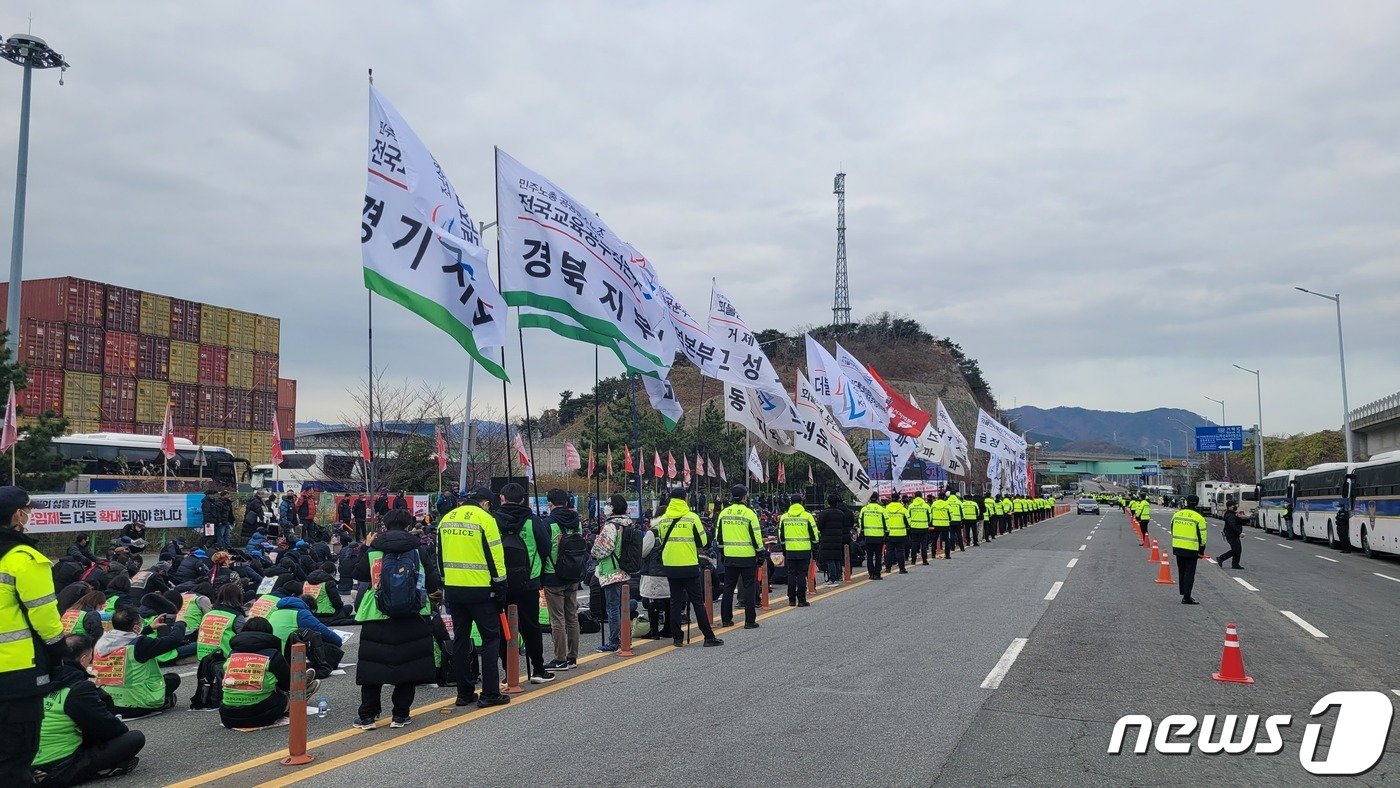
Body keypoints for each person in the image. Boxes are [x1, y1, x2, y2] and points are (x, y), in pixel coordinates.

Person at [352, 508, 442, 730]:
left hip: (377, 614)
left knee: (373, 667)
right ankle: (400, 715)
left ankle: (367, 717)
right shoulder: (418, 550)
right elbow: (433, 583)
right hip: (412, 614)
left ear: (385, 526)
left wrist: (366, 546)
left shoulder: (375, 549)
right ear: (408, 526)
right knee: (408, 666)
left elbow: (358, 574)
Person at [0, 486, 66, 783]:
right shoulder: (23, 557)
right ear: (17, 514)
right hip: (17, 672)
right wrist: (59, 655)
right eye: (28, 509)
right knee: (16, 759)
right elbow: (45, 618)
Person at [31, 635, 145, 785]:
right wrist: (98, 691)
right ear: (84, 658)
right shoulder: (77, 688)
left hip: (23, 766)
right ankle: (92, 772)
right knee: (134, 738)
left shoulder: (38, 681)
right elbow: (111, 729)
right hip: (54, 770)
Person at [439, 487, 509, 709]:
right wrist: (500, 587)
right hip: (481, 589)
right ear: (486, 503)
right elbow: (496, 557)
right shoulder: (486, 520)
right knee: (490, 640)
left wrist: (445, 583)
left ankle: (464, 693)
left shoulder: (446, 519)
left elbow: (439, 557)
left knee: (460, 640)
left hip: (453, 589)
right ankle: (490, 693)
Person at [494, 484, 553, 683]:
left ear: (502, 497)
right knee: (531, 626)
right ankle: (538, 669)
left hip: (500, 582)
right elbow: (546, 547)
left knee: (504, 628)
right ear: (523, 499)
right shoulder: (533, 521)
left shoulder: (493, 521)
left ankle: (508, 672)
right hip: (529, 581)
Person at [656, 489, 723, 647]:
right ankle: (708, 636)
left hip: (670, 566)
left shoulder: (663, 519)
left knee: (675, 602)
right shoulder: (692, 518)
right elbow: (702, 542)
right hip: (689, 565)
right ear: (685, 498)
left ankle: (677, 638)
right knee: (697, 602)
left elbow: (660, 540)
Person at [94, 607, 185, 718]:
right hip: (136, 704)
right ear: (136, 627)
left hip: (108, 702)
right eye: (140, 621)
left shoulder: (103, 640)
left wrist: (150, 628)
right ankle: (162, 702)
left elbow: (127, 637)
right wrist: (180, 623)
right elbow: (174, 640)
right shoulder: (140, 645)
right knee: (173, 678)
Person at [219, 617, 305, 730]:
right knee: (286, 695)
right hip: (261, 715)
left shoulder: (232, 654)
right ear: (268, 633)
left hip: (227, 715)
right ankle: (304, 693)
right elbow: (287, 685)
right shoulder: (273, 654)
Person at [541, 489, 583, 672]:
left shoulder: (548, 523)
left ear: (550, 504)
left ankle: (560, 659)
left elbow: (543, 550)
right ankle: (573, 657)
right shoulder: (577, 523)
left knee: (557, 619)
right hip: (573, 573)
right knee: (572, 615)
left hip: (553, 574)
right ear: (567, 502)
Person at [591, 494, 633, 649]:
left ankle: (614, 641)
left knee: (613, 607)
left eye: (608, 504)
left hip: (611, 571)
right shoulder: (627, 524)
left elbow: (602, 549)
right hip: (623, 570)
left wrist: (594, 549)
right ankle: (626, 637)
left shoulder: (611, 526)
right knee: (623, 607)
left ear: (614, 507)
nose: (606, 506)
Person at [716, 486, 762, 629]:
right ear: (744, 497)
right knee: (749, 587)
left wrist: (723, 553)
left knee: (728, 588)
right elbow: (756, 536)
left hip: (730, 556)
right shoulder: (750, 514)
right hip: (747, 556)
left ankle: (726, 620)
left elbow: (719, 537)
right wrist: (760, 553)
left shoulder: (723, 513)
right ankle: (749, 621)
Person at [776, 498, 818, 607]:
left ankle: (791, 600)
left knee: (791, 574)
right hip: (804, 550)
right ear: (802, 503)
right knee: (801, 574)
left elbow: (781, 536)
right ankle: (802, 600)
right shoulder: (807, 516)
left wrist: (784, 548)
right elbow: (814, 534)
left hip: (790, 550)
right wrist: (815, 546)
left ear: (790, 503)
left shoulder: (784, 517)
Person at [1171, 496, 1209, 605]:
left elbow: (1172, 529)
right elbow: (1203, 536)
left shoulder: (1177, 514)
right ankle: (1186, 597)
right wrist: (1201, 550)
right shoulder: (1198, 517)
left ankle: (1183, 592)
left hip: (1178, 546)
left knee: (1181, 571)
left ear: (1186, 502)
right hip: (1192, 548)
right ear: (1197, 503)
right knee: (1189, 573)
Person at [196, 583, 247, 663]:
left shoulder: (208, 614)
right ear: (238, 597)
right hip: (225, 659)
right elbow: (246, 639)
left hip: (203, 657)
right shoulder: (236, 616)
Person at [815, 493, 853, 587]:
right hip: (838, 537)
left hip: (827, 537)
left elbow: (819, 526)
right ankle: (838, 576)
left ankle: (832, 579)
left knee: (830, 558)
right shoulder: (841, 514)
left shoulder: (824, 513)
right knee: (837, 558)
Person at [858, 494, 886, 580]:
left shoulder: (864, 509)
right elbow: (886, 523)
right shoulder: (882, 509)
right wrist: (886, 532)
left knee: (869, 556)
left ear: (869, 498)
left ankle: (871, 574)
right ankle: (877, 574)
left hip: (868, 535)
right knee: (878, 555)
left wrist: (862, 531)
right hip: (879, 536)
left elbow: (860, 521)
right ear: (877, 499)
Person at [882, 496, 908, 574]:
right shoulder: (903, 510)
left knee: (889, 551)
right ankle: (902, 569)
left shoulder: (886, 510)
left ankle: (888, 568)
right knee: (900, 551)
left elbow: (883, 521)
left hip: (889, 533)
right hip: (901, 533)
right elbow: (908, 522)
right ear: (899, 500)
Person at [1216, 506, 1246, 570]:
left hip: (1233, 535)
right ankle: (1221, 558)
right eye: (1233, 506)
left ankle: (1235, 564)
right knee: (1236, 549)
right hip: (1231, 535)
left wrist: (1239, 517)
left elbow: (1237, 524)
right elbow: (1232, 526)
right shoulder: (1230, 515)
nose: (1235, 507)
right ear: (1229, 507)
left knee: (1238, 549)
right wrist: (1239, 533)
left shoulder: (1232, 514)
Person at [906, 493, 931, 565]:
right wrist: (927, 523)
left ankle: (913, 561)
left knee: (914, 544)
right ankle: (924, 561)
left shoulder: (911, 506)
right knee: (923, 544)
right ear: (921, 497)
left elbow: (908, 517)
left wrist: (911, 524)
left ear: (915, 497)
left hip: (914, 527)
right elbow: (930, 517)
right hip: (924, 527)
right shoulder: (926, 506)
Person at [931, 492, 953, 559]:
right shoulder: (947, 505)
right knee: (947, 540)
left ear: (938, 496)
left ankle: (933, 554)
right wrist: (948, 521)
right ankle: (947, 555)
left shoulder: (934, 504)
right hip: (945, 525)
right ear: (944, 497)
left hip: (936, 524)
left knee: (934, 539)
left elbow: (930, 514)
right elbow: (951, 515)